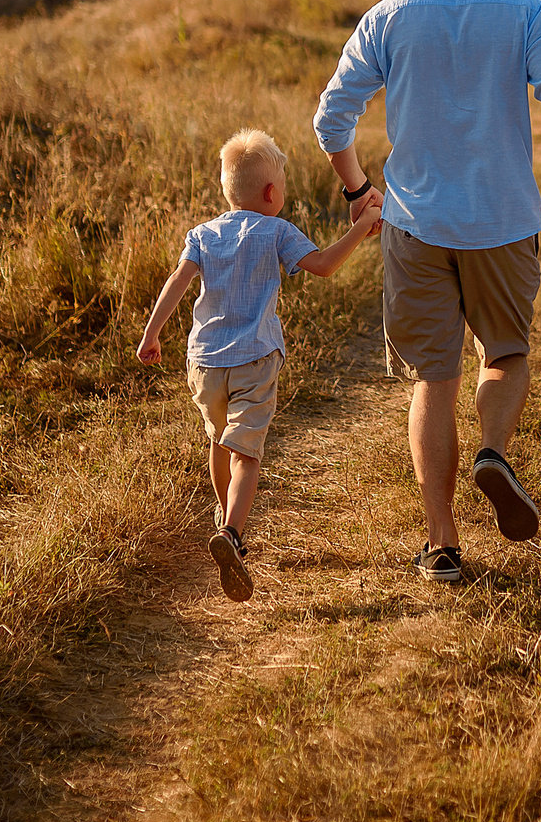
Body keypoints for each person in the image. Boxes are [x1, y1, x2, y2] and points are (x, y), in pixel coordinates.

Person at [313, 0, 541, 582]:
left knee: (432, 379)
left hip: (416, 225)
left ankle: (443, 544)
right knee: (505, 354)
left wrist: (360, 189)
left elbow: (332, 119)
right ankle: (495, 452)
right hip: (503, 222)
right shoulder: (525, 12)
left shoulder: (387, 17)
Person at [136, 128, 381, 602]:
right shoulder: (277, 231)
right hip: (255, 360)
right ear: (272, 193)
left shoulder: (202, 234)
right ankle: (232, 533)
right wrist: (360, 226)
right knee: (247, 451)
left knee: (218, 438)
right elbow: (325, 265)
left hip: (203, 362)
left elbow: (177, 281)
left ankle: (220, 509)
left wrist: (151, 333)